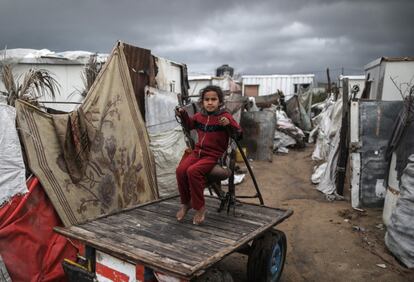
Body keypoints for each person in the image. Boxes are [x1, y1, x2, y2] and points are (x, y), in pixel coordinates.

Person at [175, 85, 242, 225]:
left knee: (193, 171)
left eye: (213, 99)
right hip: (198, 152)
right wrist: (182, 114)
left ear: (219, 101)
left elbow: (238, 134)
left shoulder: (224, 116)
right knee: (180, 170)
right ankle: (186, 203)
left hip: (213, 155)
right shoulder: (200, 116)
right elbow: (189, 125)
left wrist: (229, 124)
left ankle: (200, 208)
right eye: (207, 100)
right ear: (202, 101)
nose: (210, 102)